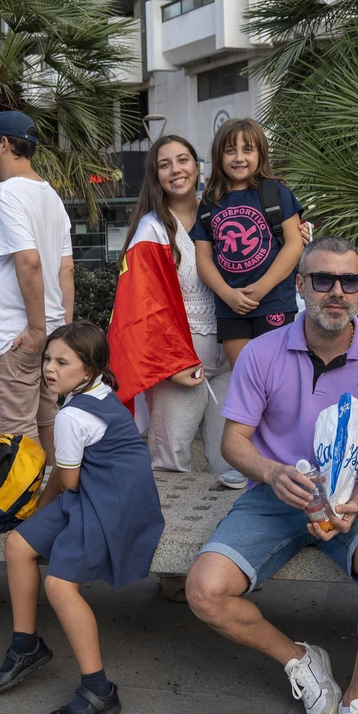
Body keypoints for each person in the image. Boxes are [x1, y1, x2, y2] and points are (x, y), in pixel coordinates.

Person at [185, 236, 358, 714]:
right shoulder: (264, 353)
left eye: (350, 281)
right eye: (323, 280)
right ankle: (299, 658)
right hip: (275, 495)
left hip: (351, 498)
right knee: (204, 591)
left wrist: (357, 502)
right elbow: (234, 442)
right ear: (300, 285)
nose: (337, 292)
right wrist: (271, 472)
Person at [0, 322, 166, 714]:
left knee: (59, 584)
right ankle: (25, 646)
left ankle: (99, 690)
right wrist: (34, 511)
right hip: (100, 489)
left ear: (88, 370)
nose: (50, 368)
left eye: (62, 362)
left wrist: (42, 504)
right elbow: (67, 480)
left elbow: (67, 481)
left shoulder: (70, 416)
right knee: (18, 545)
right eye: (48, 358)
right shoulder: (97, 390)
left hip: (114, 504)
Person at [115, 134, 236, 483]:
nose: (176, 170)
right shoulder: (151, 230)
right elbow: (141, 309)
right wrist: (170, 368)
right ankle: (170, 538)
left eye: (183, 160)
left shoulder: (221, 213)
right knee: (170, 462)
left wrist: (295, 234)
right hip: (181, 361)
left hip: (231, 354)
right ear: (156, 175)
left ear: (197, 166)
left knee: (232, 462)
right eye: (164, 164)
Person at [0, 110, 74, 460]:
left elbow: (29, 261)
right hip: (47, 333)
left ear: (4, 144)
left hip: (13, 337)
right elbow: (66, 269)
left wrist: (35, 329)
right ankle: (55, 500)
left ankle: (22, 514)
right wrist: (61, 332)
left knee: (15, 434)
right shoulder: (50, 196)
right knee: (46, 422)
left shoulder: (6, 193)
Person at [191, 117, 306, 366]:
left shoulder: (276, 191)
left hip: (274, 300)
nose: (239, 158)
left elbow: (294, 244)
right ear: (219, 156)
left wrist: (262, 288)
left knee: (275, 377)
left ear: (261, 154)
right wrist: (227, 294)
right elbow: (203, 257)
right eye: (230, 151)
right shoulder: (211, 201)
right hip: (230, 307)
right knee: (243, 377)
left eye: (247, 149)